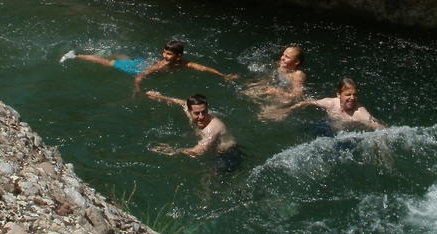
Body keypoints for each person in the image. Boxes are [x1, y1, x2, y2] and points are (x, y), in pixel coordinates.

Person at [60, 39, 238, 91]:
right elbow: (141, 76)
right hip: (140, 68)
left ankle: (111, 50)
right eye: (165, 52)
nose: (166, 56)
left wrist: (223, 76)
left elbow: (204, 68)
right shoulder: (160, 66)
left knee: (125, 59)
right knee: (109, 64)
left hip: (142, 63)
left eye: (169, 54)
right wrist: (137, 89)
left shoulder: (185, 63)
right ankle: (75, 55)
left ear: (179, 56)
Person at [146, 91, 242, 171]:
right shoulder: (190, 112)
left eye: (204, 112)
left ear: (207, 110)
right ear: (189, 111)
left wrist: (175, 151)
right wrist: (162, 97)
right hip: (216, 149)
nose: (201, 117)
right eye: (196, 113)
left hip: (228, 155)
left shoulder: (212, 129)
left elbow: (199, 152)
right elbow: (183, 103)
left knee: (210, 179)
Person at [271, 77, 386, 132]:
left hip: (344, 137)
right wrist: (285, 112)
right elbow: (306, 102)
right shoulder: (330, 103)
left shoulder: (359, 112)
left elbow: (376, 124)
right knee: (301, 130)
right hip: (326, 127)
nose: (352, 98)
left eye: (355, 95)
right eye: (348, 94)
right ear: (338, 95)